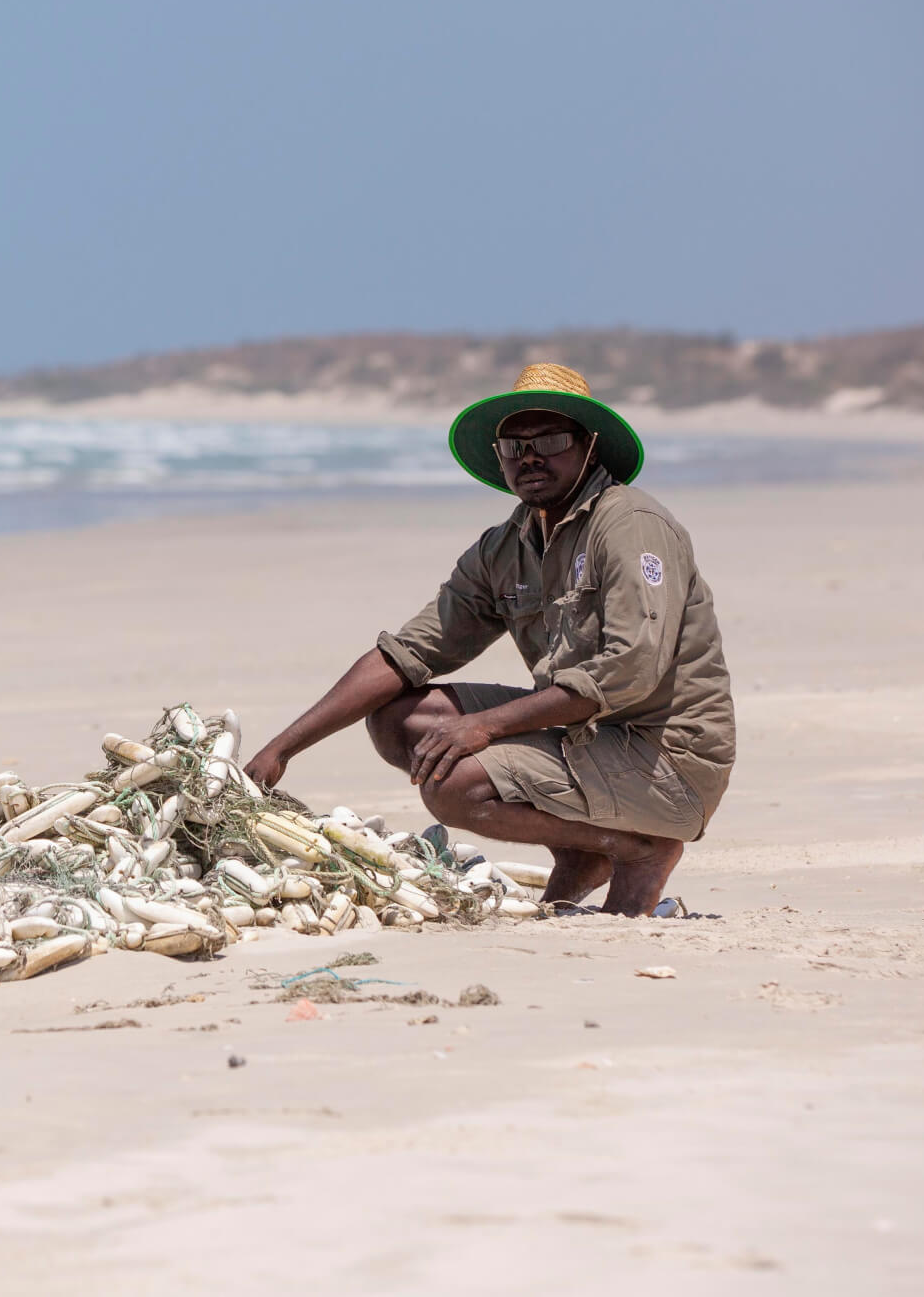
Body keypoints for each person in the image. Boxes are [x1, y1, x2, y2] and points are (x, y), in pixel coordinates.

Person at [244, 364, 735, 915]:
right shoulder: (506, 547)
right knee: (398, 717)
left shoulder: (629, 524)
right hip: (589, 736)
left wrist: (485, 725)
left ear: (589, 447)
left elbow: (630, 669)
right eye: (514, 444)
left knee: (454, 785)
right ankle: (582, 855)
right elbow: (407, 654)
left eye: (549, 440)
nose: (530, 457)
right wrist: (280, 750)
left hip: (665, 758)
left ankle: (638, 848)